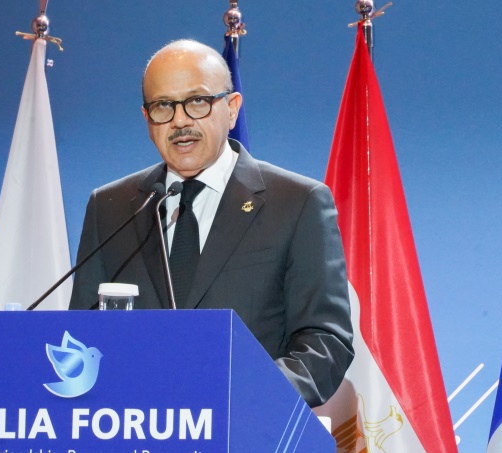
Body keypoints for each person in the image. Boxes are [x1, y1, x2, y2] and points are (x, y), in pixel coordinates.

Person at [70, 39, 353, 407]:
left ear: (231, 109)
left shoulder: (297, 202)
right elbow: (84, 333)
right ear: (147, 119)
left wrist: (243, 399)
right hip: (133, 423)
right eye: (163, 106)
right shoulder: (111, 207)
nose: (180, 120)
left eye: (198, 101)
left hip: (246, 423)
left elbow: (325, 341)